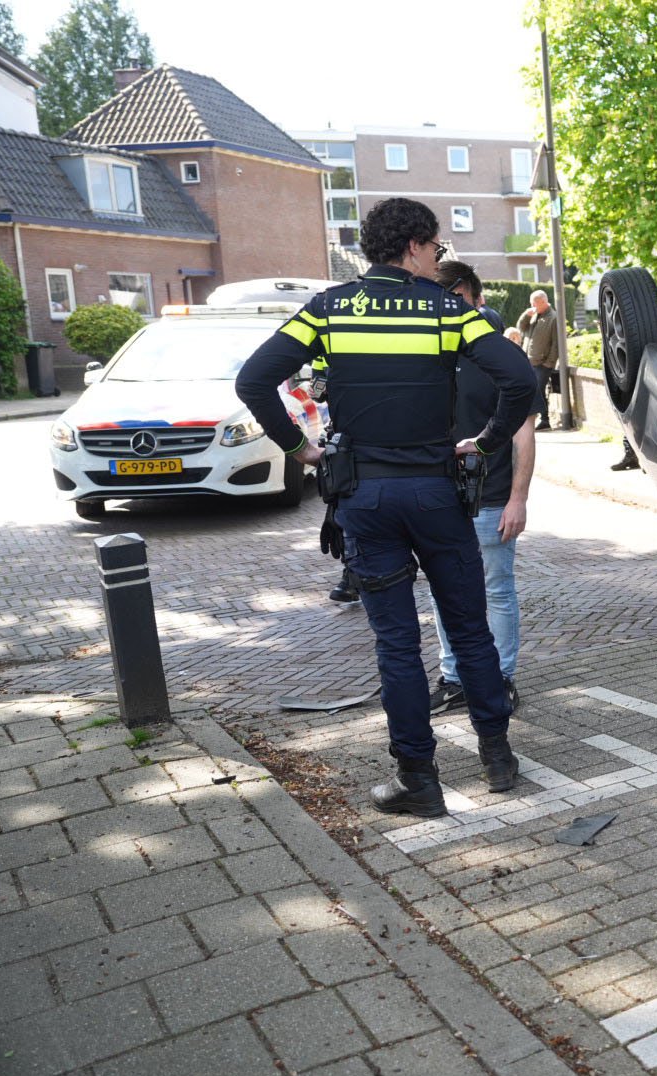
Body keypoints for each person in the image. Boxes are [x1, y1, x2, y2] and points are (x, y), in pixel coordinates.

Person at [235, 198, 537, 817]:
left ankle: (418, 782)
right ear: (414, 247)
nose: (438, 259)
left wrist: (301, 449)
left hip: (364, 498)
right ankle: (498, 758)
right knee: (469, 628)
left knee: (397, 645)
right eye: (436, 249)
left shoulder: (327, 309)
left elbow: (253, 380)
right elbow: (521, 382)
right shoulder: (448, 310)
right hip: (436, 492)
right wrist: (485, 441)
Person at [427, 261, 536, 716]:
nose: (448, 309)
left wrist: (518, 499)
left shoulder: (501, 358)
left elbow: (524, 432)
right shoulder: (424, 355)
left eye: (456, 298)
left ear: (478, 299)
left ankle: (500, 677)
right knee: (442, 591)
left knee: (495, 590)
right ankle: (453, 678)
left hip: (490, 499)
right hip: (435, 499)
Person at [516, 289, 560, 430]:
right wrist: (525, 316)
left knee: (538, 391)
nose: (531, 305)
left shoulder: (553, 318)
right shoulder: (534, 316)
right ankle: (543, 420)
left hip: (543, 364)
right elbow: (520, 329)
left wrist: (549, 363)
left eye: (533, 302)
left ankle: (545, 420)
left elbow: (556, 343)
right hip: (529, 362)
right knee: (534, 391)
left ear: (543, 301)